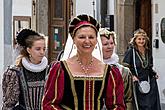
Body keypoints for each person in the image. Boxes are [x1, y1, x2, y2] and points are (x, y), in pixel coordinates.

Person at [42, 14, 126, 110]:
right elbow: (49, 104)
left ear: (96, 41)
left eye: (91, 37)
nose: (87, 41)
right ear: (73, 40)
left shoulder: (110, 71)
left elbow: (118, 106)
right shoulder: (60, 69)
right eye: (82, 37)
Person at [2, 29, 49, 110]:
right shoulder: (15, 73)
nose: (42, 52)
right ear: (28, 50)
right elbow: (9, 105)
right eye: (38, 49)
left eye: (44, 49)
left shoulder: (51, 71)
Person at [122, 28, 161, 110]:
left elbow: (149, 67)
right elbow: (125, 67)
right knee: (140, 105)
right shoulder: (131, 52)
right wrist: (132, 76)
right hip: (137, 82)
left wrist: (153, 74)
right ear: (135, 40)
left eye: (143, 39)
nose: (141, 41)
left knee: (151, 104)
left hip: (147, 81)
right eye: (139, 39)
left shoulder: (148, 51)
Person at [99, 28, 133, 110]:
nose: (110, 46)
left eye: (112, 43)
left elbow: (128, 100)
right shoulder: (89, 69)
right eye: (105, 44)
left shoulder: (124, 72)